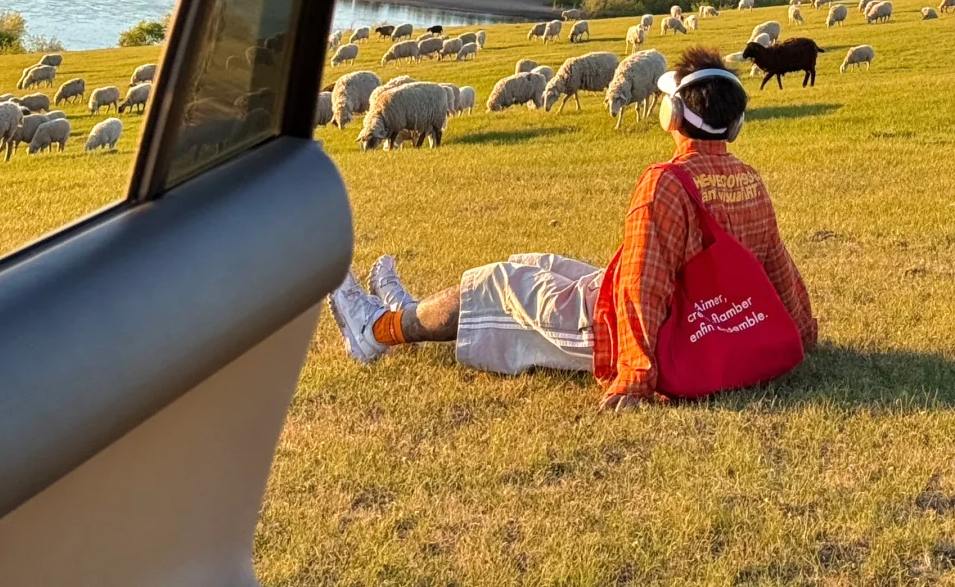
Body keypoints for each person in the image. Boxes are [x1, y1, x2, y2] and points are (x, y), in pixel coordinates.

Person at [328, 45, 817, 408]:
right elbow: (775, 264)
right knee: (536, 264)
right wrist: (799, 330)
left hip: (635, 330)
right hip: (694, 315)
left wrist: (635, 376)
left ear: (672, 113)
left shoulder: (666, 183)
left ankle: (377, 330)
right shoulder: (748, 179)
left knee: (498, 282)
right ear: (734, 125)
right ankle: (407, 311)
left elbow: (642, 287)